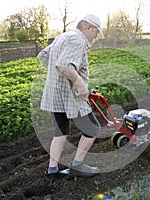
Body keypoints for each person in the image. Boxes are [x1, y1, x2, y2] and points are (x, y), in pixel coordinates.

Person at [37, 14, 105, 182]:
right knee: (92, 129)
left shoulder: (64, 36)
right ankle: (77, 165)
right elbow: (64, 65)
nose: (97, 36)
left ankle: (52, 171)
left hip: (55, 93)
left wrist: (58, 76)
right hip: (71, 95)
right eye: (96, 31)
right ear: (88, 27)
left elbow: (44, 56)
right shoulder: (78, 40)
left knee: (60, 132)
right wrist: (80, 84)